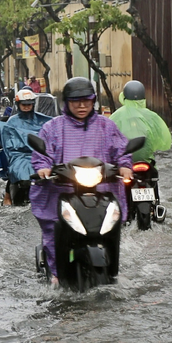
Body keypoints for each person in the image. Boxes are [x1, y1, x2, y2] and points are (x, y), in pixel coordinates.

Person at [30, 77, 132, 285]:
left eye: (87, 100)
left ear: (93, 100)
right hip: (63, 191)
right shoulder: (53, 128)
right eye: (76, 101)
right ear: (66, 102)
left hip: (101, 191)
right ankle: (56, 272)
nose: (82, 105)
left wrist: (125, 166)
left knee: (111, 227)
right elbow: (42, 155)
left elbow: (121, 150)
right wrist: (43, 168)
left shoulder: (107, 126)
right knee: (53, 226)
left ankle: (112, 268)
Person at [109, 80, 172, 209]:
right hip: (147, 162)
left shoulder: (116, 116)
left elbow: (108, 140)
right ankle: (156, 205)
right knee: (153, 179)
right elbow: (164, 139)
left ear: (124, 96)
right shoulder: (152, 116)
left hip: (125, 165)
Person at [0, 89, 52, 206]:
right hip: (19, 155)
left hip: (40, 154)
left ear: (33, 104)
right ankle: (8, 196)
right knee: (16, 171)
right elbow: (8, 144)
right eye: (23, 104)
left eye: (29, 104)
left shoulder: (43, 120)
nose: (26, 107)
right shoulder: (12, 122)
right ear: (18, 105)